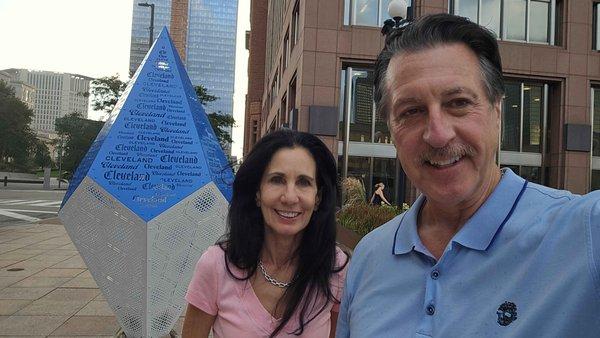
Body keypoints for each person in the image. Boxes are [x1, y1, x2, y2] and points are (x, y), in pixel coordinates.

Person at [336, 13, 600, 337]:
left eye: (458, 103)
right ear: (390, 129)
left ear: (497, 110)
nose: (438, 134)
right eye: (411, 111)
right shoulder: (369, 256)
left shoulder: (584, 232)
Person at [183, 129, 349, 338]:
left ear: (317, 198)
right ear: (257, 193)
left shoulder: (335, 268)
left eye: (304, 182)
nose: (289, 197)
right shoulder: (216, 265)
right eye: (277, 180)